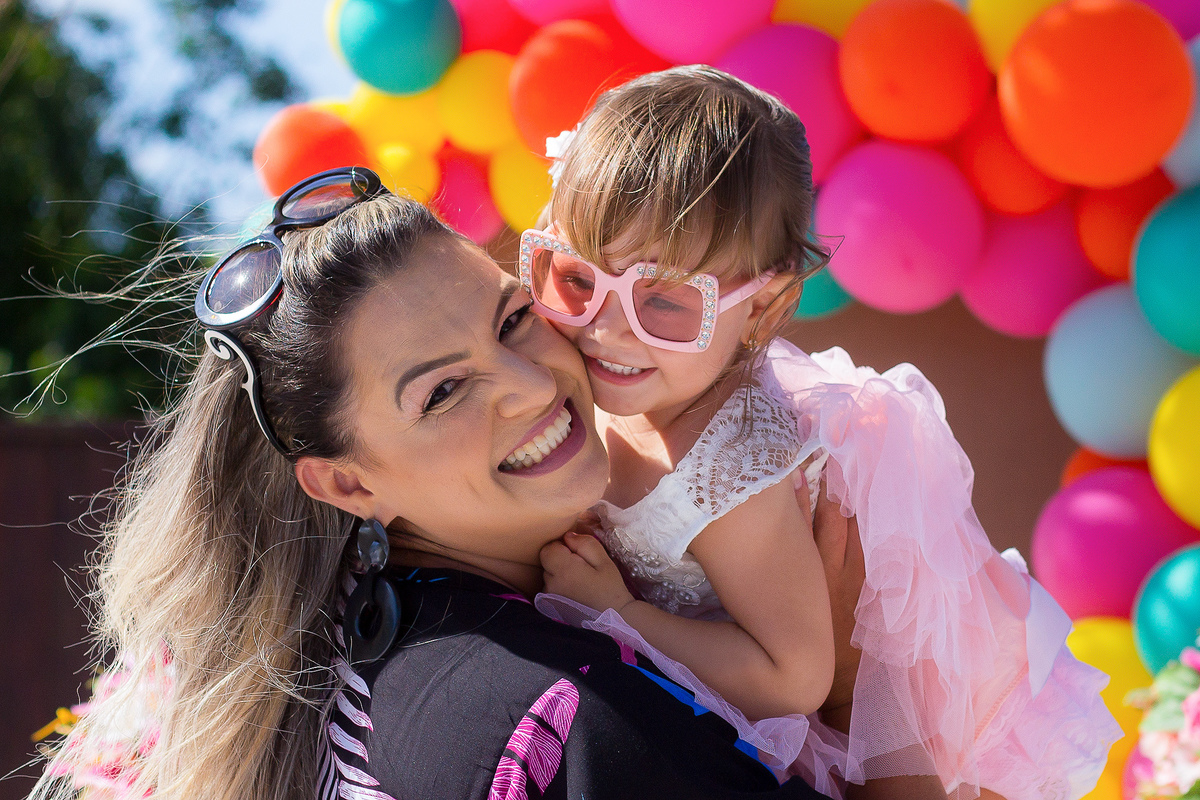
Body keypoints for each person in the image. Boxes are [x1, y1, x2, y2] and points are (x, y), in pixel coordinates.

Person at [28, 169, 846, 800]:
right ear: (347, 484)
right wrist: (864, 693)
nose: (532, 386)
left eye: (513, 318)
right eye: (443, 392)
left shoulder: (344, 648)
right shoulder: (569, 721)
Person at [526, 66, 1122, 800]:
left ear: (766, 306)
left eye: (667, 302)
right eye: (577, 279)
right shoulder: (614, 382)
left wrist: (624, 614)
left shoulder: (728, 468)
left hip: (821, 721)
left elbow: (795, 675)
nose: (606, 328)